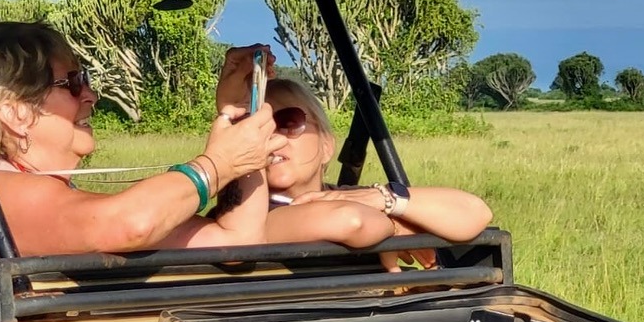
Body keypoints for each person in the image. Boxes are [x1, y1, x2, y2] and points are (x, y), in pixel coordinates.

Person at [0, 21, 286, 257]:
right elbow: (130, 224)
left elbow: (236, 242)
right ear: (16, 113)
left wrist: (239, 111)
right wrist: (216, 166)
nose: (91, 96)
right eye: (73, 83)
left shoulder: (56, 197)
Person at [212, 75, 494, 270]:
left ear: (326, 145)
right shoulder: (245, 219)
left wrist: (383, 198)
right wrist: (396, 225)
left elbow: (475, 212)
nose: (272, 137)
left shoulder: (353, 197)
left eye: (288, 121)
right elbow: (348, 220)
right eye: (256, 128)